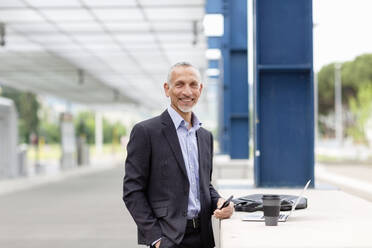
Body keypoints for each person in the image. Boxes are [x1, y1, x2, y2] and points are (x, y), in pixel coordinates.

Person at [123, 62, 234, 248]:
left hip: (204, 238)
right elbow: (132, 191)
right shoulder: (146, 132)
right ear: (167, 89)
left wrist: (220, 202)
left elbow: (204, 185)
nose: (187, 92)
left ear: (200, 89)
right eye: (180, 84)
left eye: (193, 85)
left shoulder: (205, 136)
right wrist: (156, 239)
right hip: (168, 239)